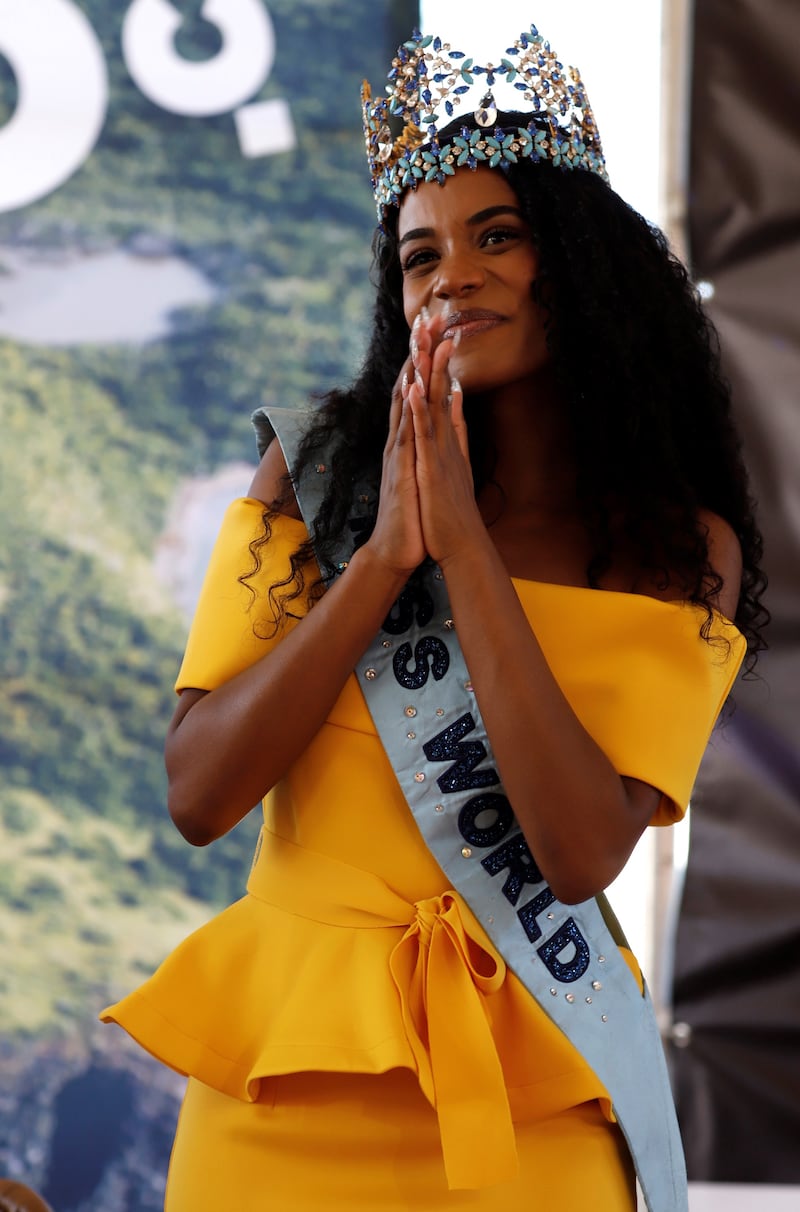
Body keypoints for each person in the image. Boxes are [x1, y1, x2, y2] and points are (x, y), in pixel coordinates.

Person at [102, 21, 767, 1212]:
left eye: (497, 236)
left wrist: (463, 550)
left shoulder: (674, 548)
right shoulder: (314, 482)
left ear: (580, 261)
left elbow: (574, 856)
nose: (452, 274)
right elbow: (199, 795)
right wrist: (384, 559)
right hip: (283, 1093)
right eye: (418, 257)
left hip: (534, 1098)